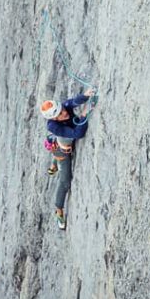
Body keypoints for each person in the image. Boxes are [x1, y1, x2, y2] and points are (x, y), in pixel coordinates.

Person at [39, 87, 96, 230]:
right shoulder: (54, 126)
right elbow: (77, 134)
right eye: (60, 115)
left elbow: (73, 102)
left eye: (62, 111)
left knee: (62, 139)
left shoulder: (62, 108)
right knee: (65, 181)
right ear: (53, 118)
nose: (64, 113)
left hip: (62, 141)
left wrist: (85, 96)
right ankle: (59, 210)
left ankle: (53, 167)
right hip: (62, 152)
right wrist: (83, 116)